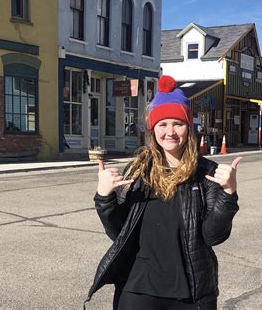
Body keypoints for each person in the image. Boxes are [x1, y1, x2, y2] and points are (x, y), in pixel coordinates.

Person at [85, 75, 241, 310]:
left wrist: (228, 193)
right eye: (163, 124)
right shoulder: (137, 170)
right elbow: (118, 232)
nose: (170, 132)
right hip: (138, 287)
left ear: (188, 127)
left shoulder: (206, 172)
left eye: (178, 123)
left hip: (190, 290)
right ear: (153, 129)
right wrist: (104, 197)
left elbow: (213, 236)